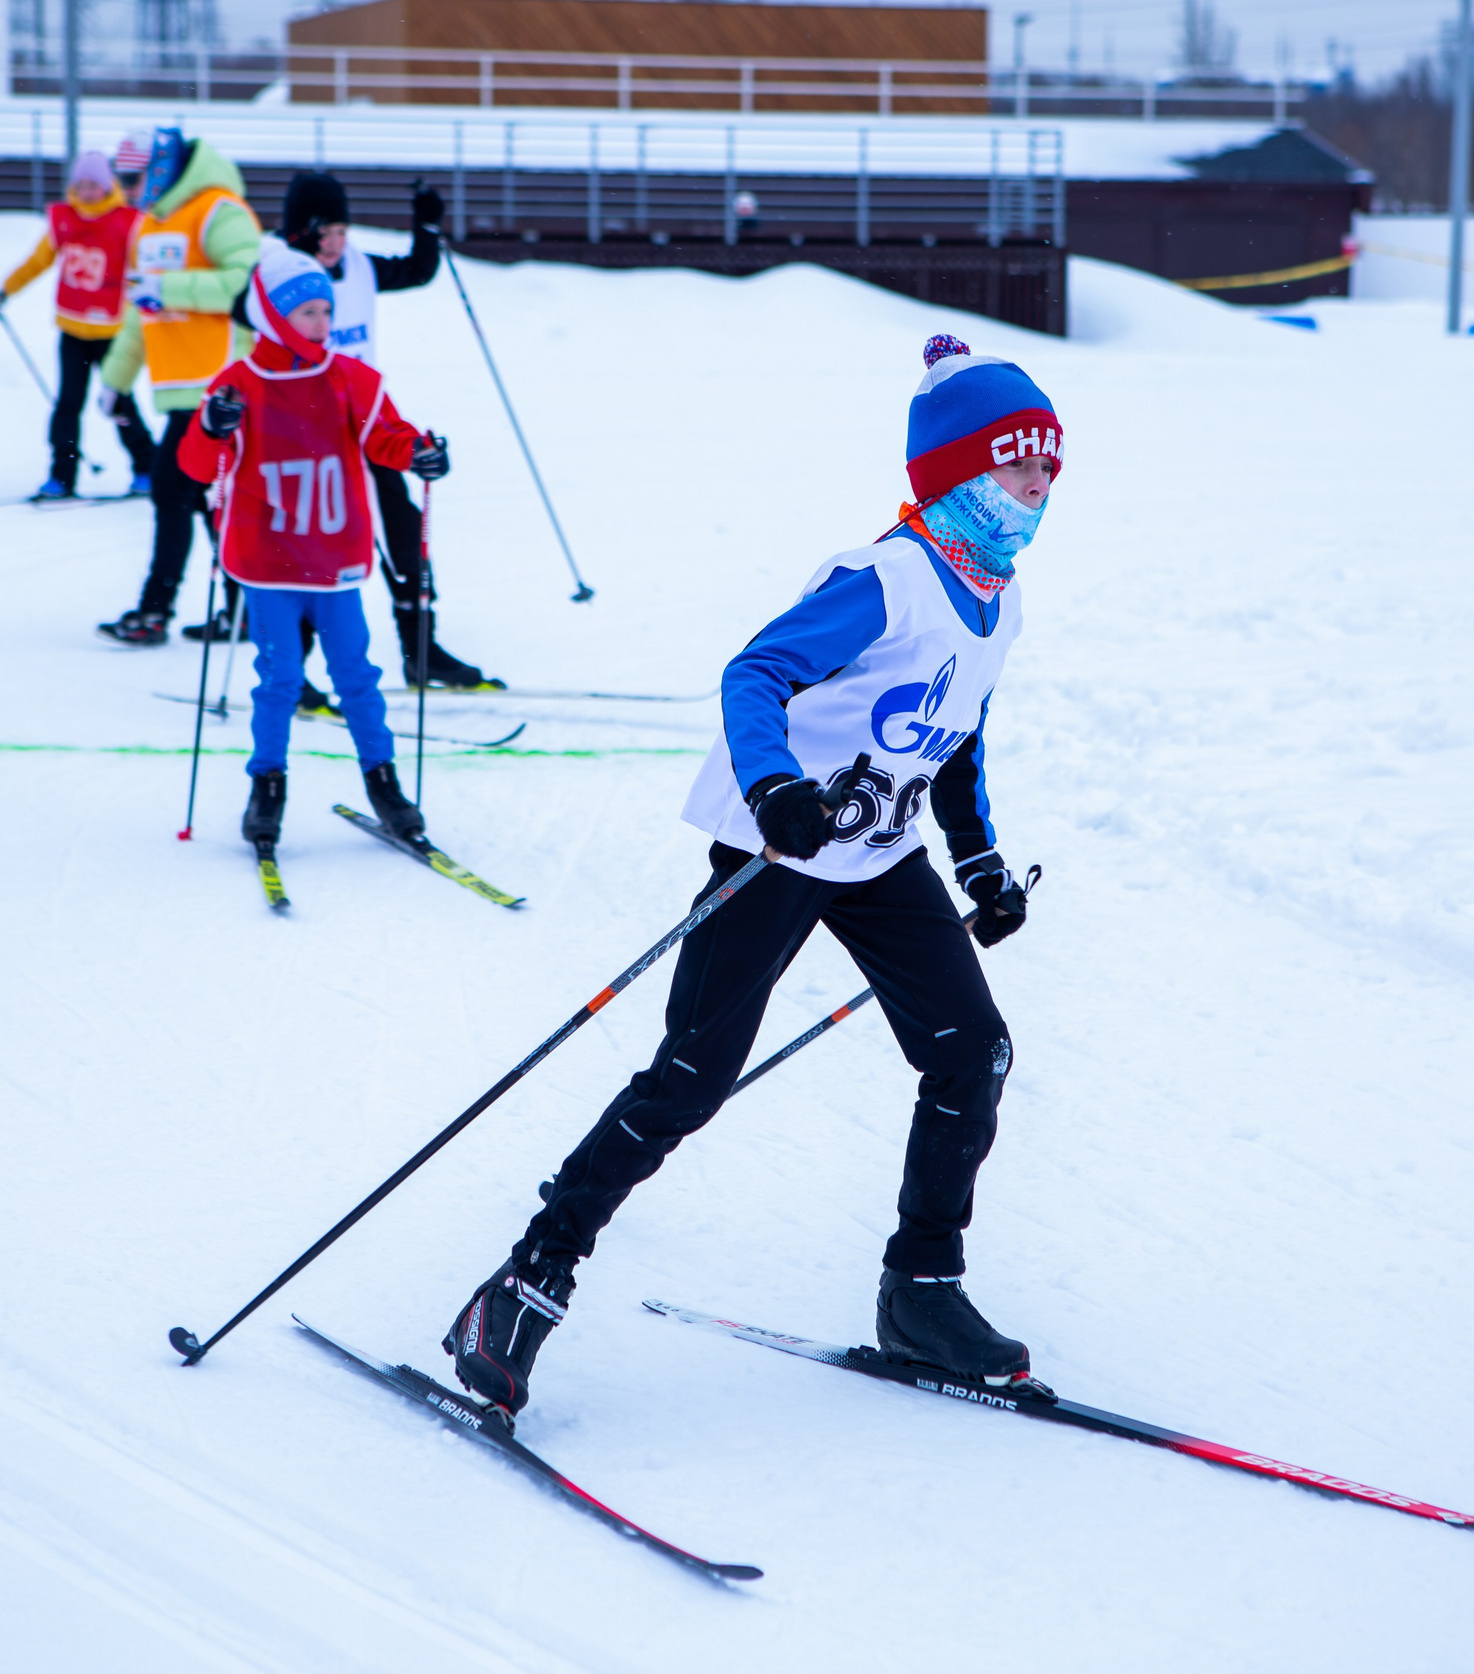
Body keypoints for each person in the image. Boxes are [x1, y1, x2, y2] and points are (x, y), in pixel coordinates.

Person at [444, 333, 1058, 1421]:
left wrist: (979, 862)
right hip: (778, 848)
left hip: (878, 856)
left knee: (975, 1051)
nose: (1041, 484)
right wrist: (775, 786)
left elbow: (953, 737)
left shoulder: (996, 596)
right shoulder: (885, 577)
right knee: (690, 1077)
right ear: (960, 468)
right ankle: (526, 1282)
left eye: (1051, 466)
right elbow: (755, 672)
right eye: (1021, 462)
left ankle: (922, 1291)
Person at [177, 243, 448, 850]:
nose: (323, 324)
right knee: (279, 679)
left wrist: (420, 454)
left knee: (357, 675)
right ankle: (266, 787)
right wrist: (212, 427)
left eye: (327, 312)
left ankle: (384, 784)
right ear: (272, 315)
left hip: (335, 560)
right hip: (268, 562)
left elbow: (389, 438)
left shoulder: (348, 378)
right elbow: (197, 465)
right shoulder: (238, 385)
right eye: (308, 314)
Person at [277, 170, 502, 692]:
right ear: (298, 233)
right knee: (311, 554)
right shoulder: (277, 275)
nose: (335, 245)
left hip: (364, 424)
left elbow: (419, 271)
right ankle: (292, 671)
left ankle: (422, 652)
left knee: (404, 531)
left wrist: (427, 225)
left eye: (341, 231)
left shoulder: (358, 267)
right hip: (302, 440)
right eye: (323, 233)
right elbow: (242, 305)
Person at [94, 127, 260, 647]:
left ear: (161, 168)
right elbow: (136, 312)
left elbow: (247, 285)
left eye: (133, 177)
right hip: (179, 388)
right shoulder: (149, 226)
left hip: (221, 386)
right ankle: (243, 606)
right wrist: (115, 379)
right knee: (205, 501)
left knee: (176, 490)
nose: (126, 189)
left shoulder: (220, 211)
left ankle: (157, 610)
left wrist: (170, 287)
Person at [0, 149, 158, 500]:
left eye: (93, 185)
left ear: (107, 184)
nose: (86, 192)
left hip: (112, 332)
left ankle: (147, 468)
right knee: (68, 404)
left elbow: (146, 266)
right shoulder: (64, 219)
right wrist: (7, 290)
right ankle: (61, 476)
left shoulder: (128, 222)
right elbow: (38, 261)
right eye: (79, 184)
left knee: (119, 403)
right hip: (73, 329)